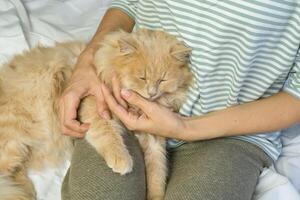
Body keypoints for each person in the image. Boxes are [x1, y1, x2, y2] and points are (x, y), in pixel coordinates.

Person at [60, 1, 300, 200]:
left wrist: (184, 127)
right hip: (124, 104)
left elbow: (296, 96)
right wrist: (89, 58)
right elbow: (128, 3)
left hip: (231, 132)